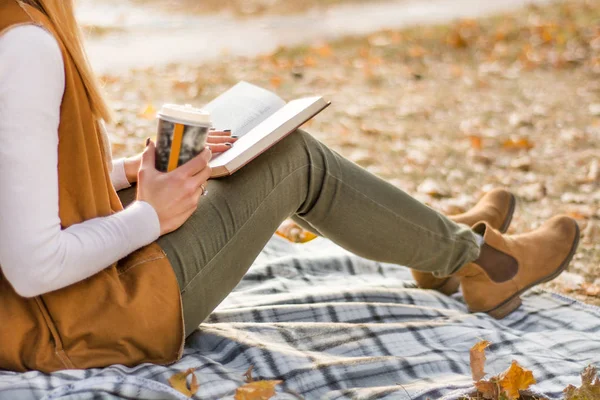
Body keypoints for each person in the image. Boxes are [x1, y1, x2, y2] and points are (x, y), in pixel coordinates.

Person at [0, 0, 579, 373]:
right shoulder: (25, 45)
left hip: (64, 299)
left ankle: (440, 249)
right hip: (85, 316)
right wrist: (150, 214)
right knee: (294, 159)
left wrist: (130, 171)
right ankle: (484, 264)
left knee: (263, 148)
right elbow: (31, 266)